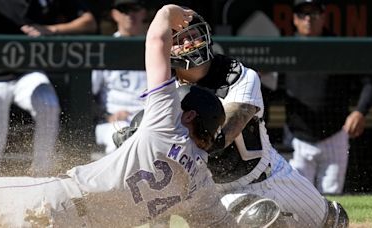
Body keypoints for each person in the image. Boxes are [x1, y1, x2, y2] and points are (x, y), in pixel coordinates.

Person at [0, 5, 239, 227]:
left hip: (52, 202)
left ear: (189, 115)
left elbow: (157, 41)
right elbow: (220, 224)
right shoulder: (201, 184)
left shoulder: (168, 127)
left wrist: (168, 12)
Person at [113, 9, 350, 227]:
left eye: (192, 35)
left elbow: (220, 137)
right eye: (178, 40)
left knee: (334, 221)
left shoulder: (239, 76)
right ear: (168, 50)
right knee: (253, 219)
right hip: (214, 193)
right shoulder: (166, 91)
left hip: (267, 174)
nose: (188, 43)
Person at [0, 0, 97, 178]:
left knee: (47, 104)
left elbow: (89, 22)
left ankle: (41, 175)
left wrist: (51, 29)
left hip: (27, 72)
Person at [284, 0, 372, 194]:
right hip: (297, 137)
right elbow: (265, 86)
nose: (308, 19)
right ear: (294, 19)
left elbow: (369, 82)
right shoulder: (285, 48)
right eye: (302, 14)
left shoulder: (339, 47)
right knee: (298, 200)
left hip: (334, 134)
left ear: (323, 16)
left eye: (314, 13)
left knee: (331, 200)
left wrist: (360, 111)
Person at [91, 0, 148, 158]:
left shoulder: (154, 47)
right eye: (124, 10)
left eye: (134, 9)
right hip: (113, 120)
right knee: (121, 138)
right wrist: (105, 116)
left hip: (148, 117)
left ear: (143, 12)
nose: (130, 14)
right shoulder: (105, 48)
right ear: (114, 14)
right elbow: (87, 95)